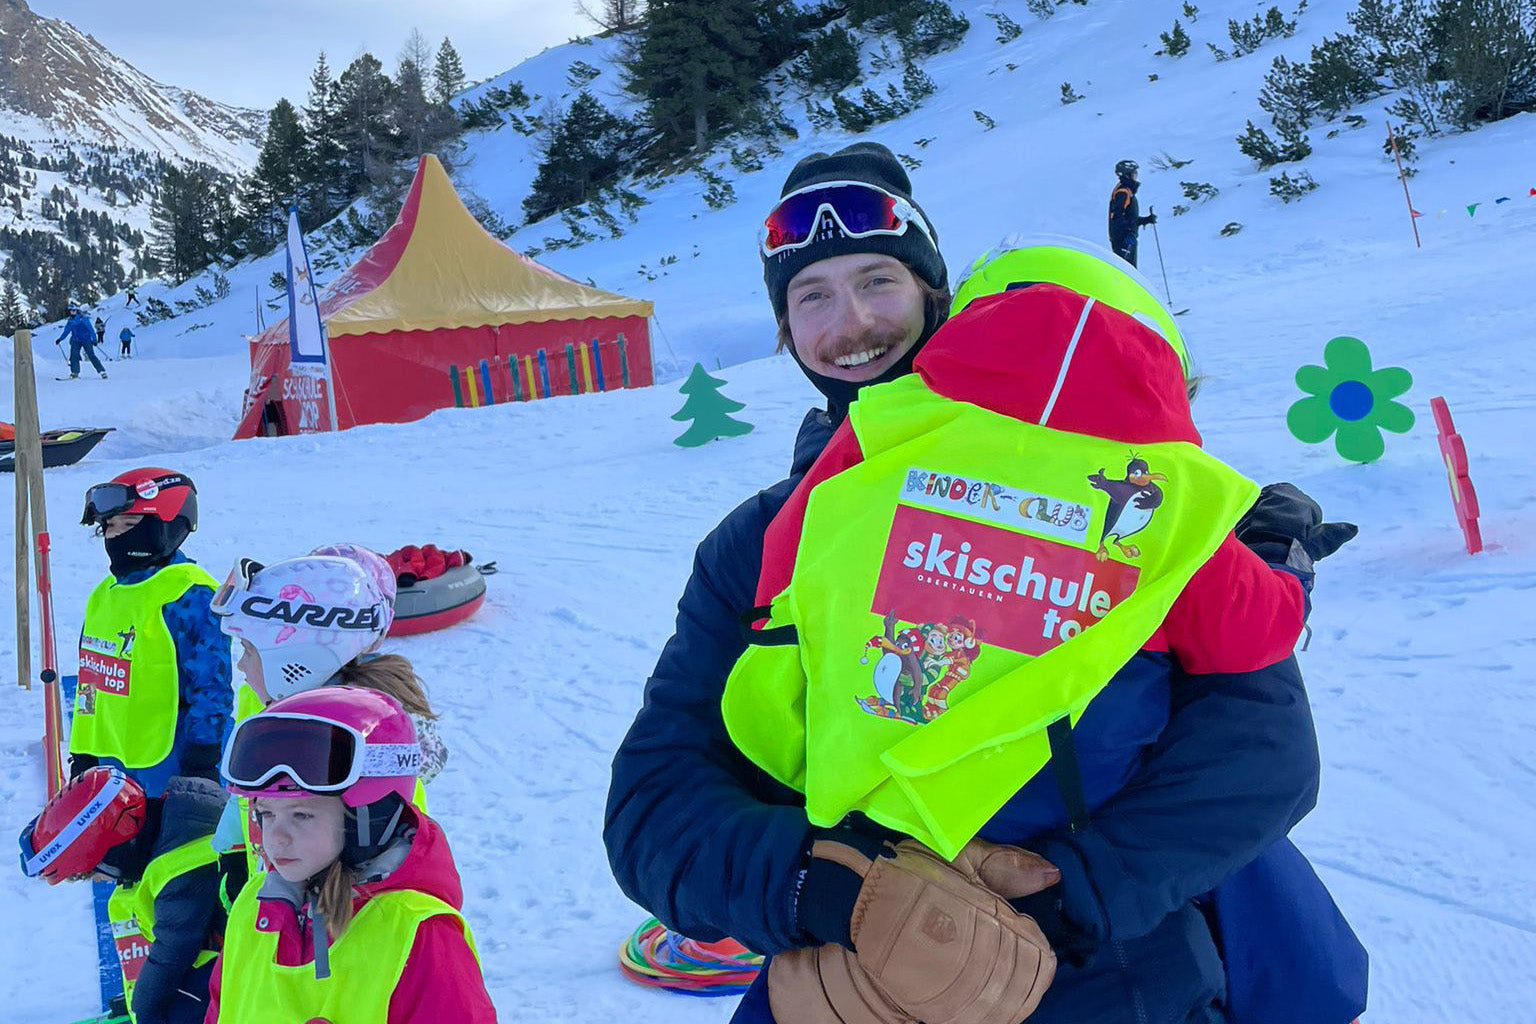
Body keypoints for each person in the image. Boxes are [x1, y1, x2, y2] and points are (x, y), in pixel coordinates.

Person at [604, 143, 1362, 1024]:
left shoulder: (1129, 496)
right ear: (787, 330)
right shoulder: (758, 541)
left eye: (877, 280)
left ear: (940, 298)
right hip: (858, 985)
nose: (850, 323)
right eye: (811, 296)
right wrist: (839, 893)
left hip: (1116, 977)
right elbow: (655, 803)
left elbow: (1261, 755)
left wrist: (1050, 902)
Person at [205, 686, 498, 1023]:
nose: (276, 839)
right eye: (267, 814)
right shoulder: (253, 908)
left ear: (366, 818)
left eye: (302, 815)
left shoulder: (418, 936)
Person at [207, 549, 446, 899]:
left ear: (294, 661)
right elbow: (246, 799)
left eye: (248, 650)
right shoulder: (276, 716)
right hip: (271, 906)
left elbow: (378, 875)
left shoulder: (367, 759)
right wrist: (230, 848)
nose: (241, 666)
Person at [19, 767, 226, 1024]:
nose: (102, 881)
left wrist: (144, 1009)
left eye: (94, 874)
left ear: (113, 852)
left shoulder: (181, 870)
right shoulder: (178, 814)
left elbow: (172, 954)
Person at [71, 467, 232, 798]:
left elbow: (211, 686)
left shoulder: (190, 594)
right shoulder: (105, 594)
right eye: (109, 528)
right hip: (111, 763)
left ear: (168, 525)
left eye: (129, 525)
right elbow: (91, 680)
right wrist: (83, 751)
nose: (115, 537)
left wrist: (202, 759)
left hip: (174, 762)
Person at [1107, 159, 1156, 268]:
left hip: (1126, 236)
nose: (1136, 175)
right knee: (1126, 270)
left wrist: (1145, 220)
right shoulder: (1123, 193)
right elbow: (1117, 217)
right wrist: (1127, 233)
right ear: (1127, 174)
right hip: (1123, 239)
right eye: (1134, 172)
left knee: (1129, 269)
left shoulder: (1127, 191)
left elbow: (1129, 217)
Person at [56, 300, 106, 378]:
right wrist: (60, 339)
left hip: (86, 340)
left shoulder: (83, 319)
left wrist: (94, 340)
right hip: (76, 340)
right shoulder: (70, 321)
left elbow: (91, 329)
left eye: (74, 310)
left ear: (77, 311)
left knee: (91, 355)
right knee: (74, 355)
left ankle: (102, 371)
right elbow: (66, 331)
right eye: (71, 311)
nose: (72, 312)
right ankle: (75, 372)